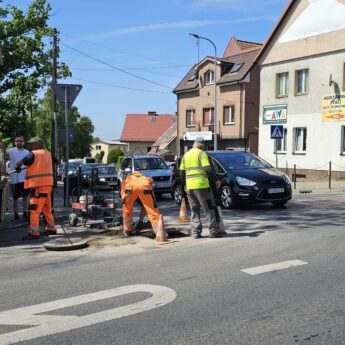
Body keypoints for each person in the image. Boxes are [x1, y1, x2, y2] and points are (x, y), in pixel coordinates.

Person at [180, 137, 225, 239]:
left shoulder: (185, 155)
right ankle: (213, 231)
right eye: (203, 146)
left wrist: (185, 185)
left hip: (190, 187)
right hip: (201, 186)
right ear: (202, 145)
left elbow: (181, 172)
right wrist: (216, 180)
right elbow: (207, 169)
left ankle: (196, 232)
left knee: (194, 210)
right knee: (209, 208)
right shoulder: (201, 154)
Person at [16, 137, 57, 238]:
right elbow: (58, 162)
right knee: (47, 209)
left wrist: (18, 168)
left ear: (37, 144)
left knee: (34, 210)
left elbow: (20, 162)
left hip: (38, 186)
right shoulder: (47, 153)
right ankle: (51, 228)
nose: (30, 146)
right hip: (48, 185)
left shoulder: (34, 153)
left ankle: (34, 232)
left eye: (31, 144)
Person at [121, 171, 161, 237]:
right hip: (144, 188)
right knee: (152, 210)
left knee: (127, 209)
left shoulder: (127, 179)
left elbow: (123, 195)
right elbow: (147, 204)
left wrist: (140, 222)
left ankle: (127, 230)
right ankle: (158, 230)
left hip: (130, 189)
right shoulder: (145, 178)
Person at [6, 136, 30, 220]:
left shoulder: (27, 152)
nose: (19, 142)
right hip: (14, 178)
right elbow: (4, 156)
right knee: (15, 198)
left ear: (24, 142)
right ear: (15, 142)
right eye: (17, 141)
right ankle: (15, 214)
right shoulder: (10, 151)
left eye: (21, 141)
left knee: (25, 197)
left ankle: (25, 213)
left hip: (25, 178)